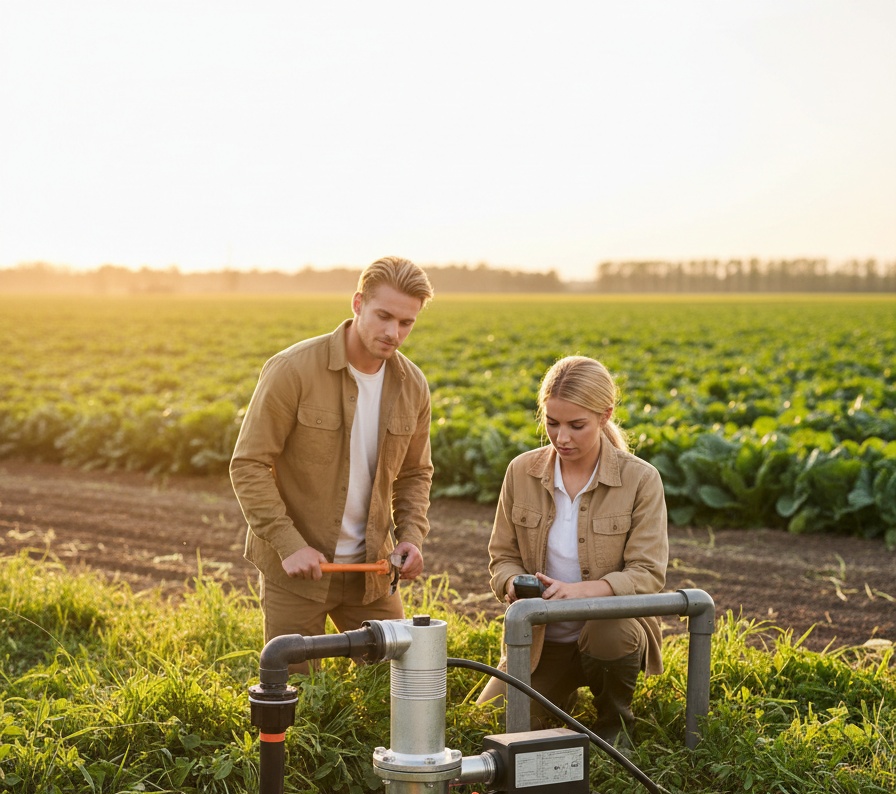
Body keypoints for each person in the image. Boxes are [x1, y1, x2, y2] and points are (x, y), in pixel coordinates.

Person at [230, 256, 434, 668]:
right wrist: (290, 545)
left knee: (397, 684)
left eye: (406, 322)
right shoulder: (293, 370)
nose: (394, 332)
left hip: (372, 575)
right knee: (294, 694)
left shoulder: (412, 386)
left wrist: (411, 535)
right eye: (384, 316)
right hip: (298, 573)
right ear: (357, 303)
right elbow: (248, 464)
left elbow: (415, 473)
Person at [478, 355, 668, 743]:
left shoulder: (640, 479)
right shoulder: (521, 471)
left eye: (576, 425)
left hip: (610, 635)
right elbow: (502, 556)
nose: (562, 437)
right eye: (552, 423)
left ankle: (614, 724)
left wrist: (576, 594)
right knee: (488, 721)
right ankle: (556, 689)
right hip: (543, 641)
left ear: (605, 415)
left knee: (608, 627)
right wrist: (513, 582)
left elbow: (647, 574)